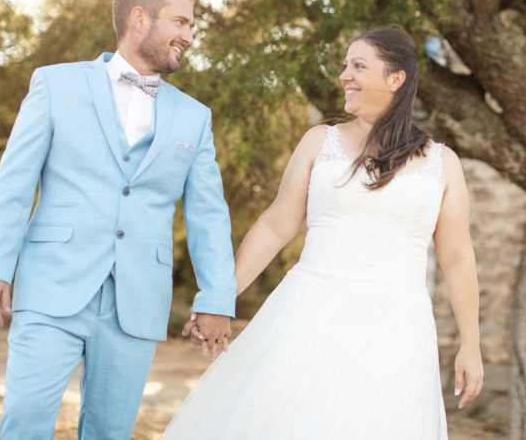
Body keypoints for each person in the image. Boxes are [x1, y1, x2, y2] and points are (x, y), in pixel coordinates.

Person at [162, 27, 483, 439]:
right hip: (308, 319)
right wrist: (219, 298)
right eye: (345, 65)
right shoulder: (319, 142)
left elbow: (457, 259)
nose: (344, 75)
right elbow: (276, 226)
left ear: (395, 78)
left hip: (397, 334)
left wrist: (471, 344)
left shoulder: (443, 162)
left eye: (359, 66)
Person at [0, 0, 236, 439]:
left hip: (137, 299)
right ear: (140, 18)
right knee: (25, 421)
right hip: (52, 284)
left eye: (192, 26)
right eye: (180, 22)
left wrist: (216, 297)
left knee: (109, 433)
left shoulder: (195, 118)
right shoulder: (55, 84)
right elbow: (14, 183)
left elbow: (208, 217)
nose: (190, 37)